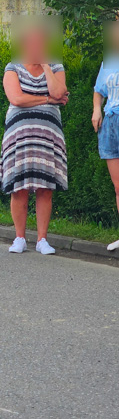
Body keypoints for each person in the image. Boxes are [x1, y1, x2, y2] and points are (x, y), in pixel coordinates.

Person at [0, 20, 69, 254]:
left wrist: (46, 66)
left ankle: (42, 240)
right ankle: (19, 238)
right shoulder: (13, 67)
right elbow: (16, 99)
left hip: (48, 137)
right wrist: (48, 100)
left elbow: (60, 91)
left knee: (45, 187)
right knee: (19, 187)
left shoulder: (56, 66)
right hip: (19, 137)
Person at [91, 21, 119, 250]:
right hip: (110, 123)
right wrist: (96, 109)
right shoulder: (109, 61)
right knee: (118, 186)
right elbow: (99, 90)